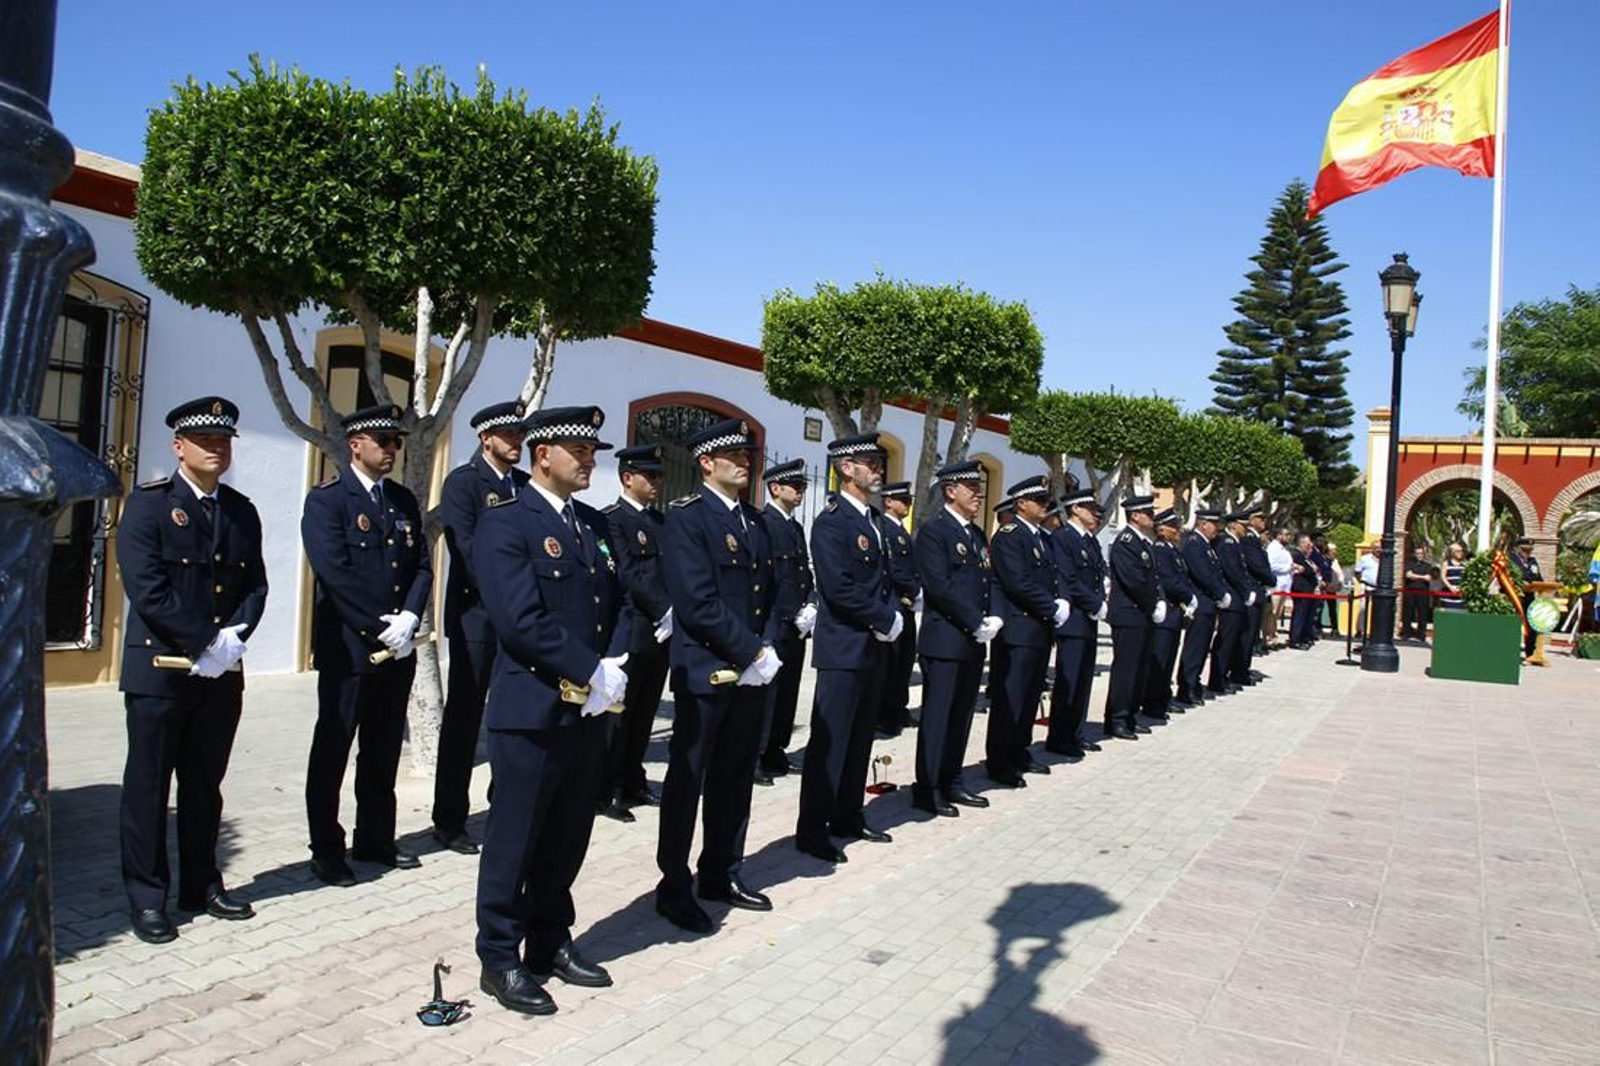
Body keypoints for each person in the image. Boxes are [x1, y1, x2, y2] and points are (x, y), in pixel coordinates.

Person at [472, 405, 629, 1015]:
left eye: (593, 452)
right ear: (544, 455)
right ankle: (499, 957)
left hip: (585, 709)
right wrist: (593, 670)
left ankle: (549, 940)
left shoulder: (592, 524)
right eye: (580, 451)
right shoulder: (507, 523)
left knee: (567, 836)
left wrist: (611, 666)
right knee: (515, 838)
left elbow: (613, 603)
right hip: (532, 709)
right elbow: (520, 621)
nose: (591, 461)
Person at [117, 397, 268, 944]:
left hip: (220, 672)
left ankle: (201, 883)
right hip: (161, 670)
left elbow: (255, 585)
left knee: (205, 783)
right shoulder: (149, 506)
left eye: (224, 441)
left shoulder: (240, 511)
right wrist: (204, 639)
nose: (216, 449)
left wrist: (234, 639)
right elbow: (148, 588)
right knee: (149, 787)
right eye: (205, 441)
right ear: (179, 447)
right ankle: (147, 897)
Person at [653, 419, 780, 932]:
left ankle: (722, 871)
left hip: (749, 670)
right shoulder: (686, 518)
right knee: (689, 780)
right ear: (706, 462)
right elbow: (697, 602)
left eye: (748, 454)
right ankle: (673, 885)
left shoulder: (755, 520)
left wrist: (765, 645)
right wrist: (752, 651)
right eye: (734, 454)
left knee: (734, 777)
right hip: (707, 670)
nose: (745, 461)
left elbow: (770, 593)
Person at [301, 404, 431, 887]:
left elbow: (421, 565)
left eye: (396, 442)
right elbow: (334, 573)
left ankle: (376, 838)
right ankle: (326, 847)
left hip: (397, 648)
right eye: (383, 441)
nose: (392, 449)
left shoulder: (401, 499)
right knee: (333, 747)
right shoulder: (328, 501)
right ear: (356, 444)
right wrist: (381, 626)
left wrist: (411, 617)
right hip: (350, 648)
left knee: (382, 748)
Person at [797, 433, 901, 863]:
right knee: (831, 742)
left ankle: (847, 815)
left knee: (860, 738)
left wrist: (890, 615)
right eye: (869, 461)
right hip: (843, 647)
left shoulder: (874, 521)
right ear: (845, 468)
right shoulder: (831, 522)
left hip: (872, 645)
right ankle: (812, 830)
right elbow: (837, 588)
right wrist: (883, 619)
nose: (877, 468)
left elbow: (884, 580)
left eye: (879, 461)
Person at [433, 400, 530, 855]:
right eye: (508, 435)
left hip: (517, 619)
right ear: (485, 438)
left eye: (520, 435)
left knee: (510, 714)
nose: (517, 442)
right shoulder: (464, 484)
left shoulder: (525, 486)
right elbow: (468, 550)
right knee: (465, 719)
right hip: (477, 617)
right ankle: (449, 819)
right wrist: (512, 594)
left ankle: (502, 808)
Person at [911, 461, 1000, 816]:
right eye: (970, 487)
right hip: (945, 640)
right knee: (938, 716)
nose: (978, 494)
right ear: (950, 491)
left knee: (961, 715)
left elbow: (985, 581)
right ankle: (927, 786)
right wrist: (976, 620)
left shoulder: (976, 535)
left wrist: (989, 618)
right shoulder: (935, 532)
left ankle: (952, 780)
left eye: (978, 487)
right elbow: (940, 586)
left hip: (972, 640)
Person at [597, 444, 672, 823]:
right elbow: (626, 573)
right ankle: (606, 788)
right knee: (618, 716)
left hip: (661, 635)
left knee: (644, 714)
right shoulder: (611, 519)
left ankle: (632, 779)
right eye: (650, 475)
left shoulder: (661, 522)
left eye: (659, 475)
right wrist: (664, 609)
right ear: (628, 478)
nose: (657, 482)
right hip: (632, 631)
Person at [987, 476, 1070, 785]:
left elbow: (1055, 577)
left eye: (1047, 501)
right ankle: (1000, 762)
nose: (1046, 506)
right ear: (1021, 504)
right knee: (1011, 698)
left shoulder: (1043, 538)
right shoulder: (1010, 535)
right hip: (1018, 629)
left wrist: (1061, 601)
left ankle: (1020, 751)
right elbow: (1016, 582)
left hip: (1039, 629)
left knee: (1031, 695)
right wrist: (1051, 607)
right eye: (1040, 501)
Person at [757, 459, 815, 784]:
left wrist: (810, 604)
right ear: (776, 488)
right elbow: (768, 578)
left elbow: (802, 571)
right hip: (777, 621)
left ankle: (777, 749)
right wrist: (788, 612)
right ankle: (757, 755)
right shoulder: (764, 523)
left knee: (789, 690)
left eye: (804, 487)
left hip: (797, 623)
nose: (801, 492)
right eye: (796, 486)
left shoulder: (794, 526)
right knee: (768, 694)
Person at [1045, 490, 1105, 757]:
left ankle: (1076, 732)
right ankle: (1060, 736)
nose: (1096, 514)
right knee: (1069, 680)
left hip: (1088, 619)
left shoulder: (1090, 541)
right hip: (1073, 619)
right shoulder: (1063, 538)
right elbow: (1068, 578)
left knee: (1083, 680)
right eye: (1091, 508)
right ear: (1076, 509)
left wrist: (1099, 602)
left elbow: (1098, 576)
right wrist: (1094, 604)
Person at [1104, 496, 1163, 740]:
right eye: (1147, 512)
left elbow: (1152, 578)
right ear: (1135, 515)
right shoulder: (1126, 542)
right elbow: (1134, 581)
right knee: (1126, 670)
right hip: (1129, 613)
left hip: (1142, 613)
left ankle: (1129, 715)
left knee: (1139, 669)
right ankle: (1117, 718)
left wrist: (1158, 600)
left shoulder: (1144, 543)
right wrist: (1152, 604)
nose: (1151, 517)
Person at [876, 481, 922, 738]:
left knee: (905, 659)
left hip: (907, 605)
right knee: (890, 663)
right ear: (888, 502)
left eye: (909, 500)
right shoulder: (884, 529)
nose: (908, 504)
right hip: (894, 602)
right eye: (902, 500)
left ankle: (899, 707)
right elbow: (895, 569)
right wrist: (916, 591)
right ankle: (885, 714)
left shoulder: (902, 531)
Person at [1142, 509, 1196, 719]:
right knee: (1160, 660)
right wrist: (1188, 596)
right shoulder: (1161, 550)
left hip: (1175, 613)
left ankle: (1163, 698)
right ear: (1162, 530)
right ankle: (1153, 702)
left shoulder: (1173, 551)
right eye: (1173, 527)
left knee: (1169, 659)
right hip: (1166, 613)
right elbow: (1168, 581)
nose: (1178, 530)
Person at [1178, 511, 1227, 705]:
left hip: (1207, 603)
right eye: (1214, 524)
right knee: (1195, 647)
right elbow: (1202, 574)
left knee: (1202, 648)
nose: (1217, 528)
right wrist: (1220, 593)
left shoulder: (1206, 545)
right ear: (1204, 524)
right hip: (1199, 603)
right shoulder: (1194, 544)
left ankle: (1194, 683)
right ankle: (1187, 687)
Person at [1213, 514, 1254, 692]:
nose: (1246, 528)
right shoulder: (1227, 543)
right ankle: (1218, 679)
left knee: (1233, 640)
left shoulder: (1235, 543)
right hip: (1231, 597)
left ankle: (1224, 675)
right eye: (1243, 525)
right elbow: (1232, 571)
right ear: (1234, 525)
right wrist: (1245, 591)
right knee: (1226, 640)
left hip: (1237, 597)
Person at [1242, 507, 1276, 661]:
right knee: (1248, 632)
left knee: (1253, 630)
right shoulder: (1249, 539)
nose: (1264, 522)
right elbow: (1256, 565)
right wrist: (1271, 579)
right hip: (1252, 589)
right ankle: (1240, 670)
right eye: (1261, 519)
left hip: (1258, 588)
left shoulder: (1255, 539)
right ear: (1252, 521)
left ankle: (1244, 668)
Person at [1510, 537, 1544, 658]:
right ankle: (1511, 651)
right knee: (1514, 625)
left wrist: (1541, 585)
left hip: (1529, 597)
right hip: (1515, 598)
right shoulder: (1511, 560)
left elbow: (1539, 578)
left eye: (1530, 550)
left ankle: (1530, 653)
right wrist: (1520, 582)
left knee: (1531, 626)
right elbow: (1509, 577)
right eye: (1525, 550)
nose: (1527, 553)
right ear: (1518, 549)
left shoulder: (1532, 561)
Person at [1288, 534, 1320, 648]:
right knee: (1299, 615)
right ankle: (1295, 639)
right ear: (1301, 543)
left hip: (1309, 590)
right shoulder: (1296, 555)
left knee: (1307, 615)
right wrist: (1311, 569)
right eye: (1307, 544)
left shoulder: (1306, 557)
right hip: (1301, 589)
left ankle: (1304, 636)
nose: (1309, 546)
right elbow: (1306, 570)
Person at [1266, 526, 1294, 648]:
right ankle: (1269, 637)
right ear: (1279, 536)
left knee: (1276, 613)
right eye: (1286, 534)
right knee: (1271, 613)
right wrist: (1288, 568)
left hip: (1283, 586)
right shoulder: (1273, 548)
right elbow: (1271, 565)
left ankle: (1273, 635)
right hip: (1275, 586)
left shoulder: (1284, 550)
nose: (1288, 537)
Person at [1400, 543, 1435, 639]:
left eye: (1421, 553)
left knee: (1422, 613)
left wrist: (1415, 576)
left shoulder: (1428, 566)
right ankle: (1406, 632)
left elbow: (1428, 578)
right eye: (1417, 553)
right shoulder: (1409, 564)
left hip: (1423, 592)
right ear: (1414, 554)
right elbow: (1408, 575)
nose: (1419, 555)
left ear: (1424, 555)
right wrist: (1422, 577)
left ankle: (1421, 633)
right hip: (1410, 591)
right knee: (1408, 612)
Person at [1352, 538, 1380, 647]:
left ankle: (1375, 630)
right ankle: (1361, 630)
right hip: (1366, 586)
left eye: (1380, 548)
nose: (1378, 550)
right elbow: (1357, 572)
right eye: (1376, 548)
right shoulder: (1364, 559)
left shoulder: (1384, 560)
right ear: (1372, 549)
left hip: (1378, 588)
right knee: (1363, 609)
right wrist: (1362, 582)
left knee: (1377, 610)